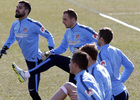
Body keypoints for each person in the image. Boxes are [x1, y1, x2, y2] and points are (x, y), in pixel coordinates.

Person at [12, 9, 98, 84]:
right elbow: (62, 48)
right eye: (62, 19)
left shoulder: (85, 30)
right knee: (73, 91)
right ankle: (26, 74)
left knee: (54, 59)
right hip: (75, 64)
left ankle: (26, 74)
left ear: (73, 19)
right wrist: (49, 52)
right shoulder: (68, 32)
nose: (62, 22)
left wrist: (86, 52)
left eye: (65, 19)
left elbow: (100, 41)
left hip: (85, 65)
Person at [0, 1, 55, 100]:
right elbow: (11, 37)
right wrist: (4, 48)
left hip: (36, 61)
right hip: (28, 60)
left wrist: (51, 49)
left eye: (20, 8)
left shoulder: (34, 24)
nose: (17, 9)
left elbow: (49, 35)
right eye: (17, 7)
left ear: (26, 11)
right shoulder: (15, 24)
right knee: (32, 92)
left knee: (33, 92)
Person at [97, 27, 134, 100]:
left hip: (114, 94)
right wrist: (121, 80)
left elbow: (107, 73)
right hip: (123, 91)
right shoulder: (117, 50)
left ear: (102, 39)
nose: (96, 38)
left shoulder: (101, 54)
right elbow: (130, 66)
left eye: (98, 36)